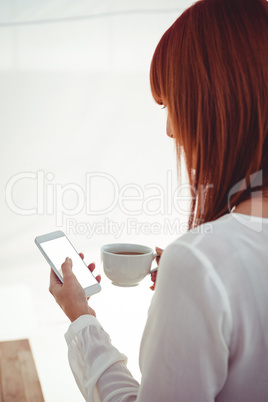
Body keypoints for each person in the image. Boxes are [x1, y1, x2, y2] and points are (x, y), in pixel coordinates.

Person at [49, 0, 268, 400]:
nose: (170, 131)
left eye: (170, 105)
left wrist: (81, 318)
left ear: (212, 102)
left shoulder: (200, 264)